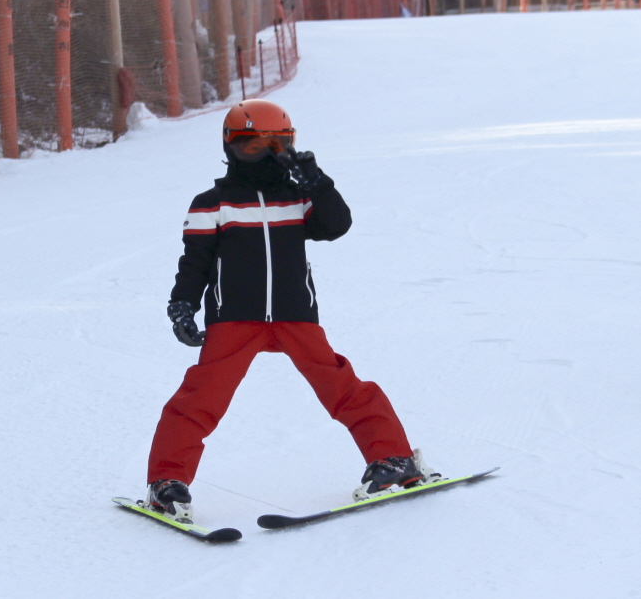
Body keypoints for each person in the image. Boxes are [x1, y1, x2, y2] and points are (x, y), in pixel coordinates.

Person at [143, 99, 437, 522]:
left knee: (342, 387)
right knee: (200, 398)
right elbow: (195, 263)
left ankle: (393, 458)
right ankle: (166, 483)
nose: (265, 156)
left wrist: (317, 183)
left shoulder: (298, 197)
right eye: (252, 147)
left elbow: (337, 225)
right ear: (230, 147)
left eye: (276, 146)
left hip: (295, 314)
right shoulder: (212, 203)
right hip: (234, 318)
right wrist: (182, 305)